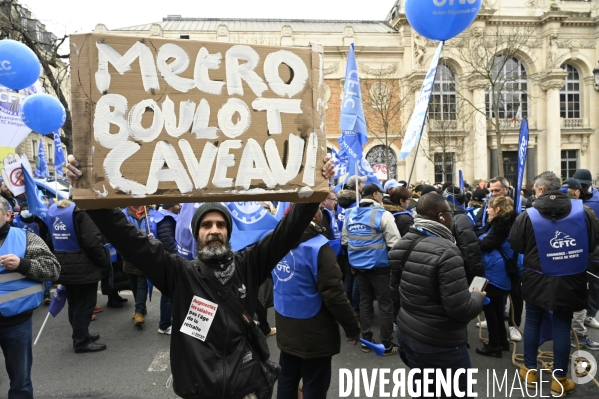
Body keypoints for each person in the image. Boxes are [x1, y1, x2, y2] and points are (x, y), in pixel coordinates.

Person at [66, 154, 334, 399]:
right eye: (206, 225)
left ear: (229, 233)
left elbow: (287, 231)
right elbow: (127, 237)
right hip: (200, 389)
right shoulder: (179, 274)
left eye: (220, 225)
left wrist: (316, 188)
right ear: (197, 233)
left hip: (246, 386)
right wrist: (87, 190)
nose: (214, 230)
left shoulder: (249, 264)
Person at [510, 171, 598, 396]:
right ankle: (560, 378)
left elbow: (517, 245)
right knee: (562, 324)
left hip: (536, 277)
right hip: (570, 277)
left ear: (540, 190)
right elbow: (593, 243)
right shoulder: (583, 212)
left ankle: (530, 370)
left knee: (532, 320)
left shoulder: (527, 215)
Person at [389, 193, 485, 397]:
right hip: (439, 341)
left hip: (408, 332)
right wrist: (477, 296)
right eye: (450, 213)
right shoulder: (448, 251)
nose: (452, 218)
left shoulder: (403, 242)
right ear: (441, 216)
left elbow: (394, 294)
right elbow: (460, 309)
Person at [273, 207, 360, 399]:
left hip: (286, 325)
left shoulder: (275, 242)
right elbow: (335, 294)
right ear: (314, 216)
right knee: (314, 386)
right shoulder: (318, 246)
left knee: (287, 381)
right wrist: (352, 327)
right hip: (314, 332)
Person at [0, 197, 60, 398]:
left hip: (15, 323)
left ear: (8, 215)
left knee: (20, 382)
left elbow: (53, 270)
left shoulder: (26, 238)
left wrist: (22, 264)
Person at [342, 183, 400, 356]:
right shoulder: (383, 214)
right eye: (380, 194)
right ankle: (387, 344)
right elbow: (396, 243)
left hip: (359, 268)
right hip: (380, 268)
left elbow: (345, 241)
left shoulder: (349, 214)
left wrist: (352, 264)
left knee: (365, 303)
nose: (382, 197)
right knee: (385, 305)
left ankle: (366, 342)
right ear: (375, 195)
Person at [46, 199, 111, 353]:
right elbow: (93, 243)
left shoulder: (55, 211)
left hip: (63, 262)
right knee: (85, 304)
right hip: (83, 266)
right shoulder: (83, 213)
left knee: (74, 303)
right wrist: (104, 263)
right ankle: (81, 341)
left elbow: (50, 239)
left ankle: (80, 334)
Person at [475, 196, 520, 357]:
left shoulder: (500, 226)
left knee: (490, 308)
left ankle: (494, 346)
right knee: (496, 309)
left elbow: (485, 244)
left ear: (498, 209)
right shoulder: (505, 224)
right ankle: (502, 341)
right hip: (498, 271)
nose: (486, 210)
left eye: (489, 207)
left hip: (494, 272)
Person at [561, 179, 599, 350]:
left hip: (556, 261)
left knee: (561, 299)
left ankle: (563, 335)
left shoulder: (546, 209)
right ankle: (578, 335)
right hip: (579, 260)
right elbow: (594, 237)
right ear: (576, 192)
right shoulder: (584, 210)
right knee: (578, 298)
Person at [571, 169, 599, 330]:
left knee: (594, 283)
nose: (580, 189)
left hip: (594, 249)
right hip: (575, 247)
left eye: (584, 186)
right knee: (576, 283)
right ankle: (575, 319)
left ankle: (590, 314)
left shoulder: (597, 199)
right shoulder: (570, 197)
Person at [122, 205, 156, 326]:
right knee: (133, 284)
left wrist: (153, 238)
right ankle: (141, 307)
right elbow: (122, 233)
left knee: (142, 284)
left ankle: (139, 312)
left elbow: (157, 232)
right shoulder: (123, 214)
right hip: (129, 256)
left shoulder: (151, 213)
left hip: (145, 256)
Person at [443, 186, 484, 283]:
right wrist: (478, 271)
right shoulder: (461, 218)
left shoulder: (434, 214)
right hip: (459, 270)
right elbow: (469, 248)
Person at [155, 203, 181, 335]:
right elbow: (168, 243)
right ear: (171, 206)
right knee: (168, 293)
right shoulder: (166, 220)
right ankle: (164, 325)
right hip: (171, 261)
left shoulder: (168, 217)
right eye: (177, 203)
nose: (180, 205)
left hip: (171, 260)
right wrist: (179, 256)